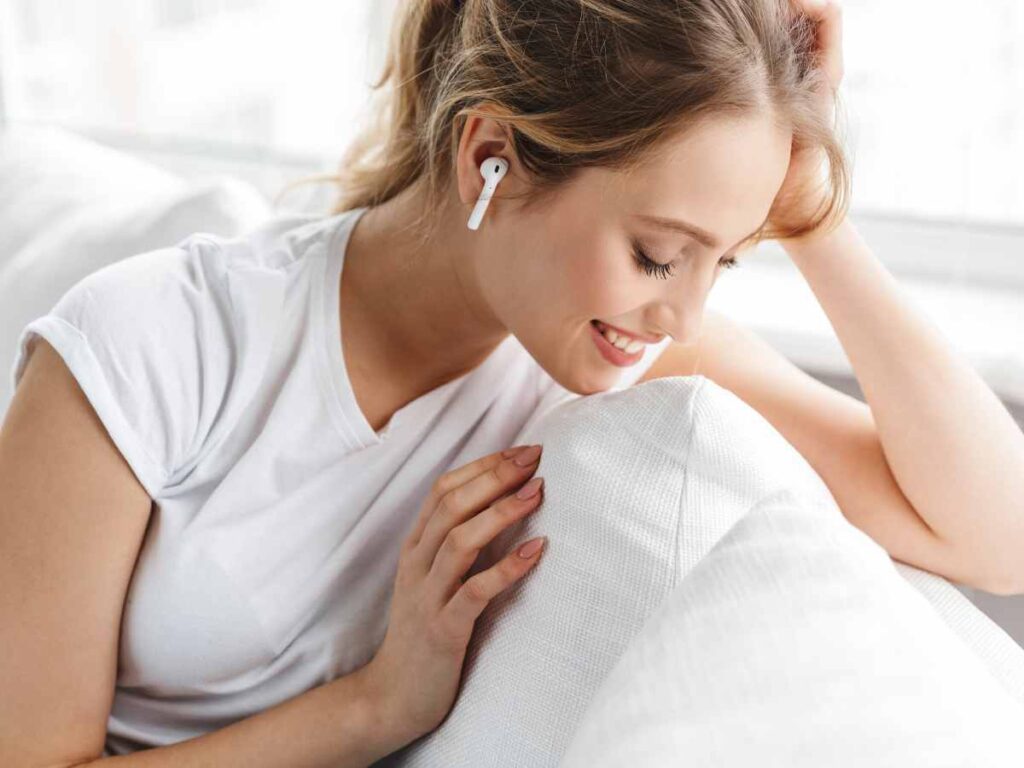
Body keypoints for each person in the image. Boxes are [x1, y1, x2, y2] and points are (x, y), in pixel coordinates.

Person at [1, 0, 853, 764]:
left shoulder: (613, 357)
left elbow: (986, 538)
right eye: (657, 255)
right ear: (490, 157)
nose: (686, 315)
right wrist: (374, 708)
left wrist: (811, 197)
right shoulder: (153, 341)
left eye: (725, 260)